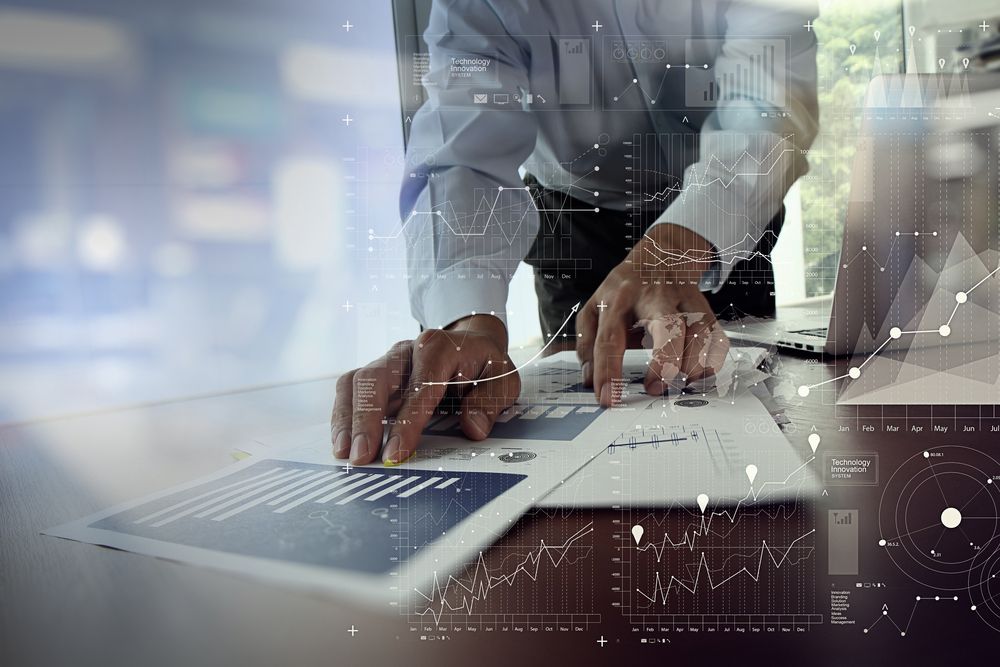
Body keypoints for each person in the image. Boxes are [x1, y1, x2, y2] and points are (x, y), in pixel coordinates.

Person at [333, 0, 819, 465]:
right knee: (588, 428)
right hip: (575, 221)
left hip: (721, 224)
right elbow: (464, 149)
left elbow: (768, 100)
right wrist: (469, 322)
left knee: (736, 408)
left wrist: (675, 245)